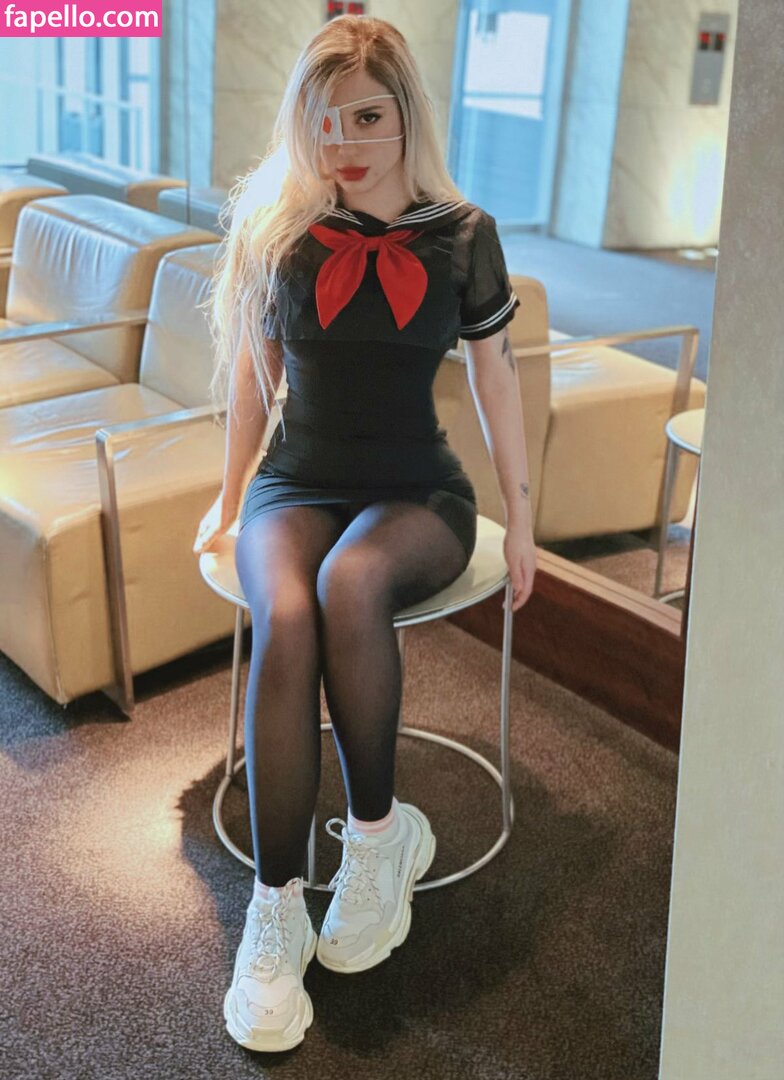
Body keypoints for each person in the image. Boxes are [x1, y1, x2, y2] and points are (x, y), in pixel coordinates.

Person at [192, 13, 537, 1054]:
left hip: (415, 493)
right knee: (287, 608)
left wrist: (524, 519)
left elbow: (495, 381)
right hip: (294, 483)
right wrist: (227, 496)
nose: (343, 141)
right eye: (323, 119)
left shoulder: (463, 235)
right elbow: (255, 382)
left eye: (367, 117)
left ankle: (381, 841)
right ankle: (275, 910)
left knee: (350, 583)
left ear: (407, 116)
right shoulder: (283, 230)